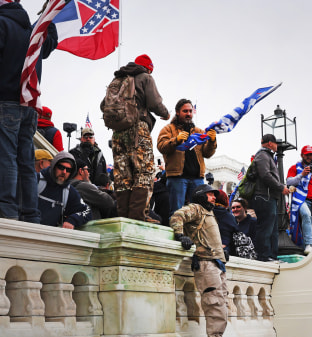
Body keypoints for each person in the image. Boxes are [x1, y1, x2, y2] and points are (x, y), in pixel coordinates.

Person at [0, 0, 58, 222]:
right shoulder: (31, 30)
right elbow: (48, 47)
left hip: (6, 100)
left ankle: (6, 208)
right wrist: (50, 18)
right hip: (29, 105)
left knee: (4, 157)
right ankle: (30, 213)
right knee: (25, 160)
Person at [170, 184, 237, 337]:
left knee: (221, 306)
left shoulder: (208, 213)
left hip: (216, 263)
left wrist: (222, 254)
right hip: (206, 263)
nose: (214, 198)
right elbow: (177, 216)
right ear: (200, 195)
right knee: (214, 305)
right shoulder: (196, 209)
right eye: (210, 194)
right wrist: (179, 235)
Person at [104, 54, 169, 220]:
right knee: (144, 171)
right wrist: (165, 114)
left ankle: (123, 216)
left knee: (122, 174)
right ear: (148, 68)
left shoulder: (116, 80)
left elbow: (103, 105)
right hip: (138, 128)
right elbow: (155, 103)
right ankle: (138, 216)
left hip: (117, 132)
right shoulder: (145, 77)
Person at [156, 98, 216, 217]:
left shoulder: (199, 132)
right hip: (177, 177)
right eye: (185, 111)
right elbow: (161, 146)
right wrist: (176, 140)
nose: (188, 114)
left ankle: (194, 235)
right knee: (177, 212)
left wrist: (212, 141)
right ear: (178, 112)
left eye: (190, 111)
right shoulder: (168, 129)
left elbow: (207, 154)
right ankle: (177, 234)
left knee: (198, 212)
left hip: (197, 178)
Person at [252, 134, 290, 261]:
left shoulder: (266, 156)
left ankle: (271, 256)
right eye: (276, 143)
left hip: (268, 197)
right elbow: (265, 175)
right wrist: (281, 187)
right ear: (270, 143)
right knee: (266, 228)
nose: (277, 146)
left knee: (272, 229)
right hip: (264, 197)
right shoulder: (262, 155)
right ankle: (263, 256)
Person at [37, 151, 91, 229]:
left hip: (48, 236)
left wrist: (72, 219)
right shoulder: (36, 180)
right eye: (61, 167)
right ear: (54, 166)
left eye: (68, 170)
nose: (64, 172)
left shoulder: (68, 191)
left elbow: (87, 211)